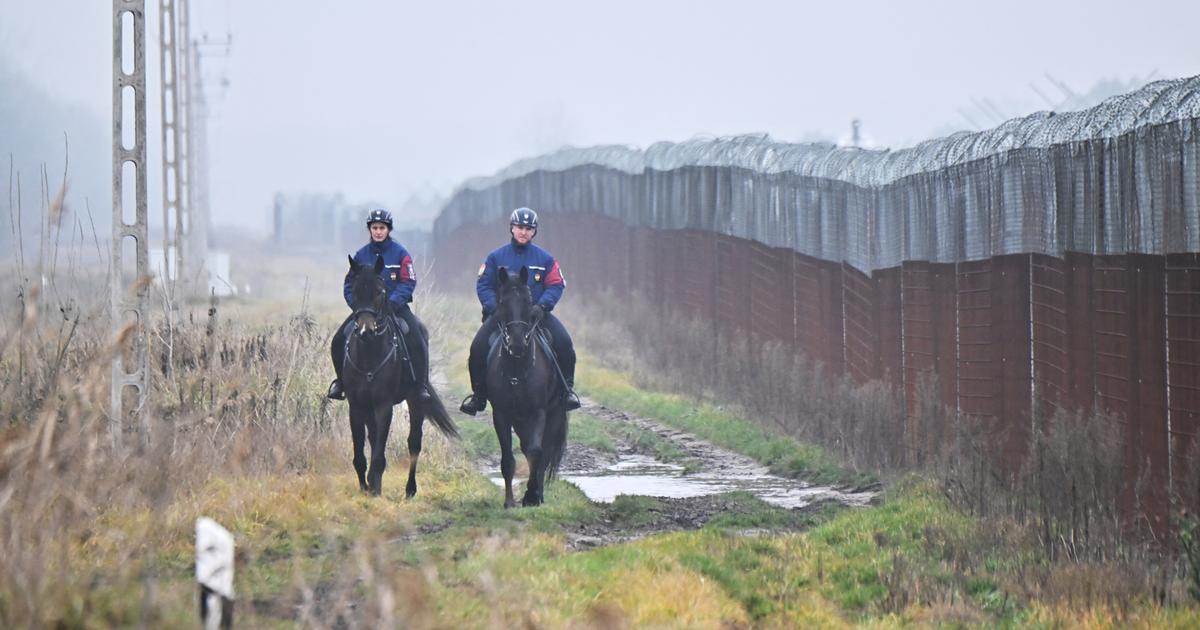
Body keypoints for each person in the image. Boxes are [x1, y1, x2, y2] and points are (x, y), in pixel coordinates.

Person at [459, 207, 581, 415]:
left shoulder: (546, 259)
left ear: (534, 232)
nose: (523, 232)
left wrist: (542, 306)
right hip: (502, 318)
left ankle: (566, 391)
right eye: (519, 227)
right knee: (477, 348)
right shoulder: (495, 257)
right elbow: (484, 285)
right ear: (511, 228)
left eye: (528, 228)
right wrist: (493, 308)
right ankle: (478, 397)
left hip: (536, 317)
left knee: (565, 343)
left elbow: (556, 285)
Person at [327, 208, 430, 401]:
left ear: (388, 229)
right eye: (374, 227)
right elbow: (349, 284)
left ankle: (421, 385)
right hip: (366, 311)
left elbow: (408, 282)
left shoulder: (401, 254)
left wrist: (392, 302)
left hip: (395, 308)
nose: (378, 231)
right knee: (338, 339)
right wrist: (356, 306)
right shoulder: (360, 255)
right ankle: (341, 382)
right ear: (370, 230)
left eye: (382, 227)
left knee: (417, 335)